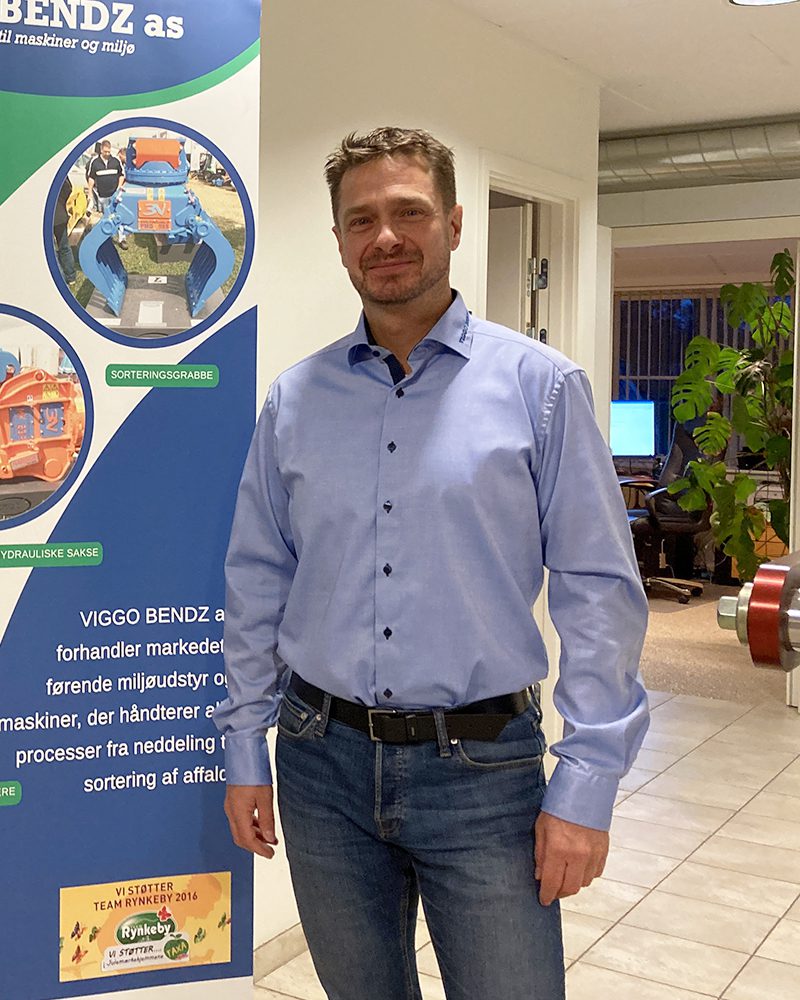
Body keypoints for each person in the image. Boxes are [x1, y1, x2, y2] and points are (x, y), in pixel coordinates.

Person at [214, 127, 649, 1000]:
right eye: (361, 219)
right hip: (320, 762)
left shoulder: (542, 388)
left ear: (452, 223)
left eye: (408, 212)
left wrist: (587, 782)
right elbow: (258, 579)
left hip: (482, 771)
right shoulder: (294, 401)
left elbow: (599, 591)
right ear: (339, 240)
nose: (385, 237)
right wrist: (243, 746)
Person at [53, 176, 76, 286]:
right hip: (60, 213)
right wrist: (61, 202)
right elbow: (68, 188)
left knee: (52, 250)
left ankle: (60, 280)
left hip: (49, 217)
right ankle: (70, 276)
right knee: (64, 247)